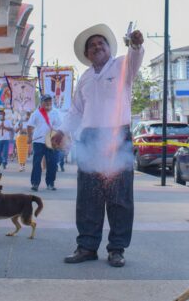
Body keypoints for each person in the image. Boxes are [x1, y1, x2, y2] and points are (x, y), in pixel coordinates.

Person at [53, 24, 144, 268]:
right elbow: (76, 111)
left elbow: (136, 58)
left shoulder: (122, 66)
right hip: (90, 138)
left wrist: (136, 44)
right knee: (88, 196)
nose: (96, 47)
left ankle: (117, 249)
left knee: (120, 196)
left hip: (118, 138)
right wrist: (62, 130)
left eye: (100, 43)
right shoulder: (84, 78)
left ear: (108, 48)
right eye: (92, 46)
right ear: (87, 54)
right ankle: (86, 246)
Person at [27, 94, 62, 191]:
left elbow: (59, 126)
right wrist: (29, 137)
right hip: (38, 142)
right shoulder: (36, 113)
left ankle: (50, 183)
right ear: (41, 102)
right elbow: (29, 125)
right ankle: (35, 183)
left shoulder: (56, 113)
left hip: (51, 142)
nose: (48, 103)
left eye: (50, 101)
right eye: (46, 101)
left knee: (52, 163)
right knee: (37, 162)